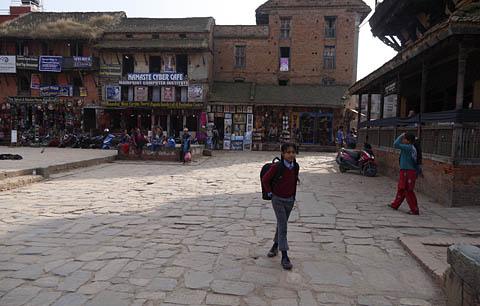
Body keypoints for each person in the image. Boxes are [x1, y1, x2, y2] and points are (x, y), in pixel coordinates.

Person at [261, 143, 300, 270]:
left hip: (289, 200)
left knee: (281, 223)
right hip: (278, 199)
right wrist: (270, 193)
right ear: (283, 154)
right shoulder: (276, 167)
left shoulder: (296, 166)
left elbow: (294, 182)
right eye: (288, 152)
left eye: (293, 152)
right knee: (283, 226)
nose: (291, 155)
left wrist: (293, 196)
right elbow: (265, 179)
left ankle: (275, 245)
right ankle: (284, 255)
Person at [388, 133, 420, 215]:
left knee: (407, 190)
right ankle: (395, 204)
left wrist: (400, 136)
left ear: (408, 141)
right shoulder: (412, 148)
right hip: (407, 171)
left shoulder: (408, 148)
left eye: (404, 139)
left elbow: (395, 144)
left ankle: (414, 209)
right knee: (401, 188)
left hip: (407, 171)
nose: (403, 140)